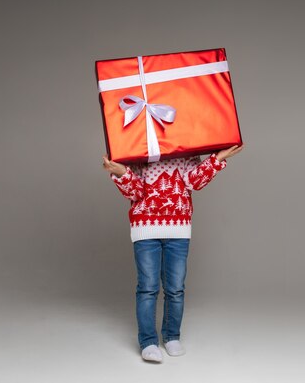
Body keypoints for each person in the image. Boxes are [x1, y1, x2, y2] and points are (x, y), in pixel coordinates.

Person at [102, 144, 244, 362]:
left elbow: (194, 182)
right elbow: (136, 191)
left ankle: (171, 336)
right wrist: (121, 172)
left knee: (175, 288)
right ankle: (148, 341)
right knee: (148, 288)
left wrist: (218, 158)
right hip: (145, 229)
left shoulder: (185, 150)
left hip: (178, 229)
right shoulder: (138, 149)